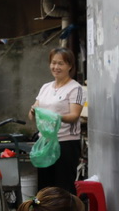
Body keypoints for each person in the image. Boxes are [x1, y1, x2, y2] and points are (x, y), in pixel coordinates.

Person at [29, 47, 84, 195]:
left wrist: (56, 117)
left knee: (64, 187)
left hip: (65, 143)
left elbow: (75, 115)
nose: (56, 67)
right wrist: (33, 111)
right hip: (45, 142)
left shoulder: (75, 88)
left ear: (70, 66)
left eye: (61, 64)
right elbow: (33, 112)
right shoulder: (45, 87)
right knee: (44, 188)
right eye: (53, 63)